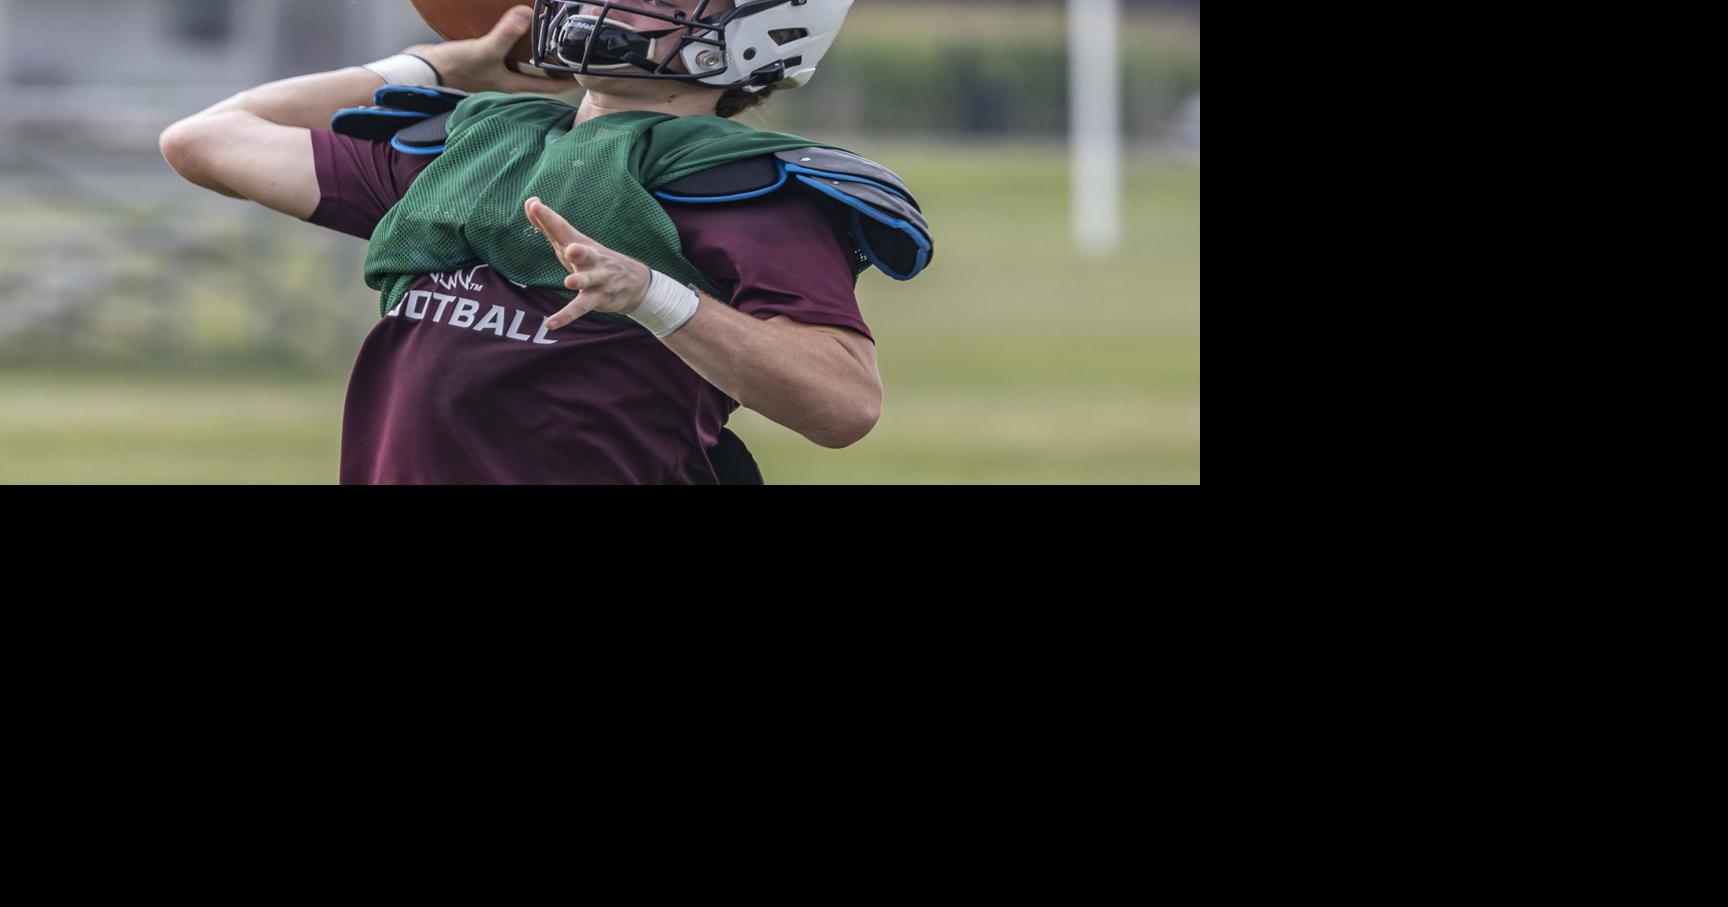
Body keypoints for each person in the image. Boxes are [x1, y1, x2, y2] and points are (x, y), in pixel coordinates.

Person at [158, 1, 929, 484]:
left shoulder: (741, 189)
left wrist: (655, 296)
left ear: (763, 25)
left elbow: (843, 404)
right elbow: (206, 140)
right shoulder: (472, 150)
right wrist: (444, 64)